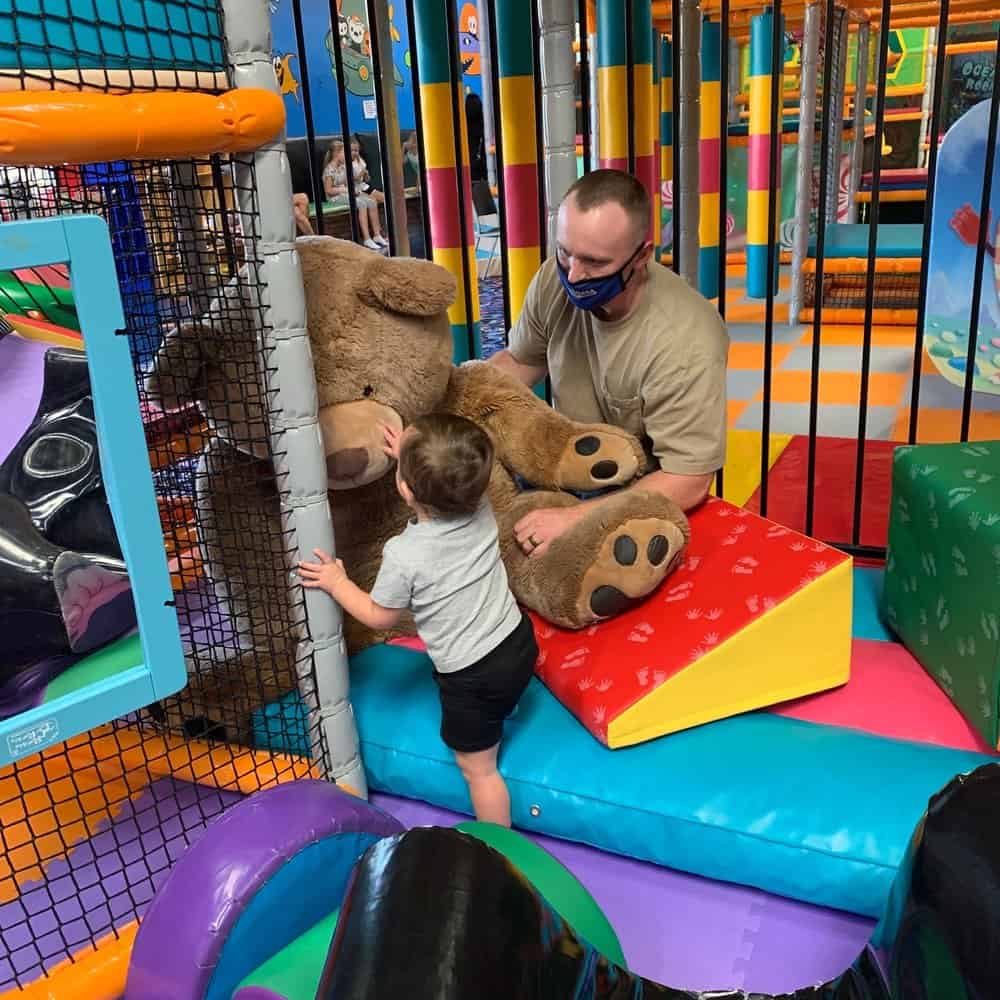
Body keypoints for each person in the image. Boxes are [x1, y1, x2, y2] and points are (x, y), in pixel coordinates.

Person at [298, 413, 537, 828]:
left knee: (477, 769)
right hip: (518, 643)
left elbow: (378, 615)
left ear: (405, 489)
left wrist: (337, 583)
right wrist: (412, 454)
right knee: (502, 692)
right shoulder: (480, 506)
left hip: (473, 676)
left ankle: (501, 845)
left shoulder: (405, 554)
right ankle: (505, 706)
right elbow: (450, 481)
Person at [489, 168, 729, 560]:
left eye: (595, 263)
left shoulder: (686, 341)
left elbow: (689, 479)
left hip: (643, 492)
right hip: (566, 468)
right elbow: (519, 362)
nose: (574, 274)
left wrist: (579, 517)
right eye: (566, 252)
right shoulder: (555, 277)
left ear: (642, 256)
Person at [321, 138, 388, 251]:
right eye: (344, 152)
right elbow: (329, 190)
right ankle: (367, 238)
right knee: (361, 204)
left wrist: (355, 191)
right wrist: (344, 190)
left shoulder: (343, 167)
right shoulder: (329, 170)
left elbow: (348, 184)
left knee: (371, 202)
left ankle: (377, 235)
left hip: (346, 193)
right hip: (335, 197)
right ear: (337, 154)